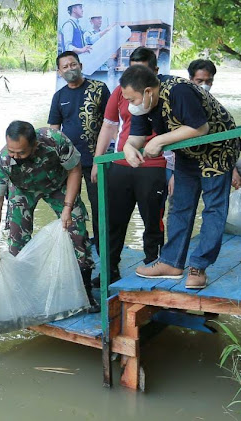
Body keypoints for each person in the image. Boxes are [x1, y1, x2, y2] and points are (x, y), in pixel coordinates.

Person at [121, 65, 241, 289]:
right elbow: (137, 136)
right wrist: (129, 147)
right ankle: (171, 262)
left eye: (133, 99)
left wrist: (158, 141)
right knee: (179, 205)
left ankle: (198, 266)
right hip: (187, 152)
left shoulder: (178, 91)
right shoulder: (144, 105)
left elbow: (200, 128)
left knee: (213, 207)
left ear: (148, 91)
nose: (131, 105)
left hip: (217, 147)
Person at [0, 120, 99, 312]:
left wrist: (67, 207)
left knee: (76, 229)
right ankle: (24, 297)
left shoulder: (55, 141)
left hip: (58, 184)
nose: (15, 156)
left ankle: (85, 293)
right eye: (11, 151)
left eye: (21, 152)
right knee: (17, 241)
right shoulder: (3, 160)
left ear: (35, 145)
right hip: (23, 190)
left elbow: (75, 170)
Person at [90, 47, 166, 286]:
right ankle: (109, 269)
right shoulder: (120, 92)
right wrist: (98, 159)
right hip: (122, 163)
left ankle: (155, 265)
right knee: (113, 220)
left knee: (153, 220)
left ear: (155, 71)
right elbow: (109, 125)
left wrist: (174, 170)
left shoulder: (165, 93)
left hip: (154, 164)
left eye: (142, 70)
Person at [49, 51, 110, 253]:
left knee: (100, 208)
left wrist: (99, 160)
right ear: (59, 72)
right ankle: (79, 252)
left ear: (81, 65)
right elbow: (53, 131)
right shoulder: (59, 96)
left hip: (97, 161)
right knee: (71, 207)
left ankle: (106, 258)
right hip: (69, 163)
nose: (70, 69)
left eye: (73, 64)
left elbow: (111, 124)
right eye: (65, 67)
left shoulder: (99, 89)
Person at [187, 59, 241, 190]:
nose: (204, 85)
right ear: (190, 79)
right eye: (199, 81)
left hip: (218, 155)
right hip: (188, 157)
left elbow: (228, 139)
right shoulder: (183, 101)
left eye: (208, 81)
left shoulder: (215, 106)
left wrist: (231, 167)